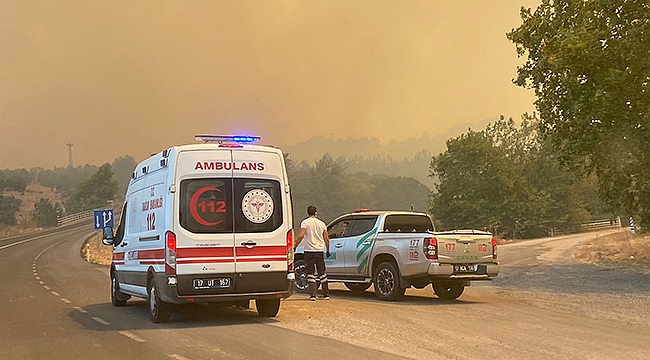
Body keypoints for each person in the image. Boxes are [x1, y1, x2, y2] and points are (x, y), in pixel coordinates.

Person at [295, 205, 330, 301]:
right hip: (319, 251)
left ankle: (312, 295)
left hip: (309, 251)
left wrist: (295, 246)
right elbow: (326, 238)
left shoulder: (305, 222)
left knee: (310, 273)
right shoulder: (322, 223)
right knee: (322, 273)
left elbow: (301, 235)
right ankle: (326, 294)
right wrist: (327, 249)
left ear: (308, 212)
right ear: (316, 213)